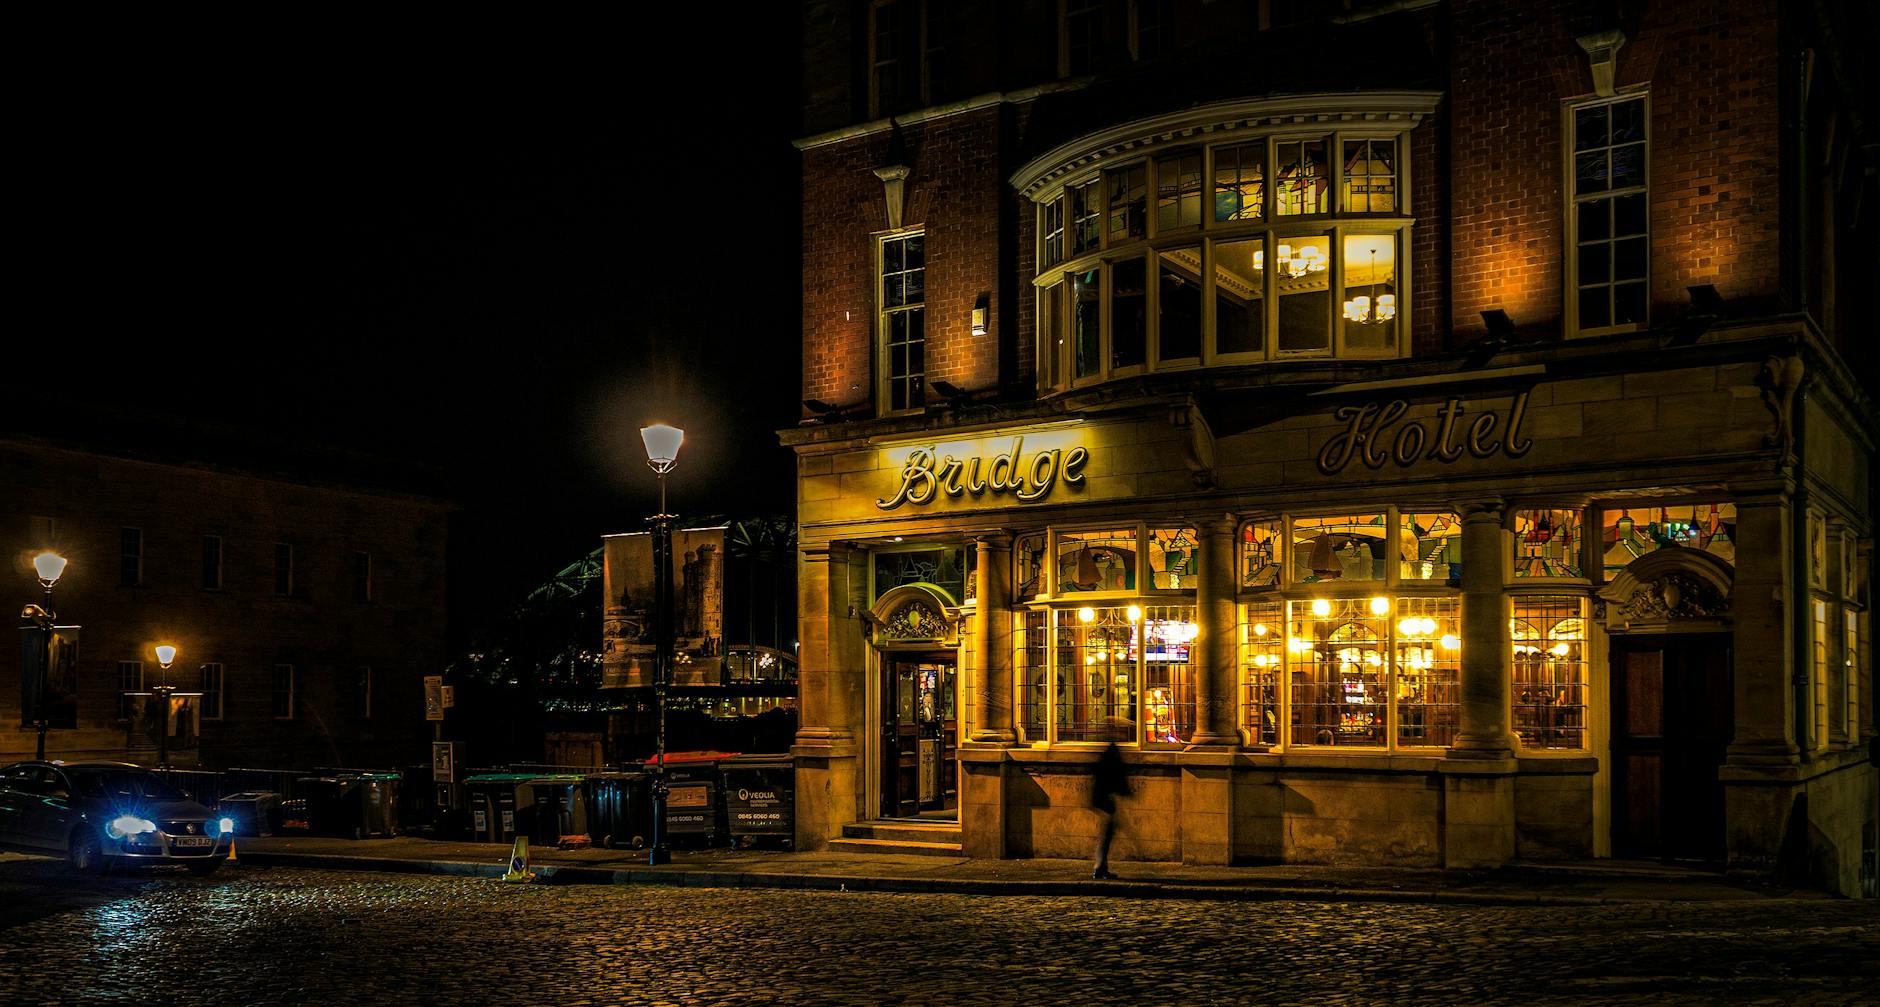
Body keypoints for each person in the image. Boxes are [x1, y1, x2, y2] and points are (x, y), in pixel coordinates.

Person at [1089, 725, 1129, 880]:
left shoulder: (1110, 751)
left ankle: (1101, 867)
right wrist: (1124, 791)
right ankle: (1099, 867)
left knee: (1106, 834)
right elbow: (1114, 776)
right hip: (1104, 799)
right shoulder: (1112, 752)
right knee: (1106, 835)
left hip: (1103, 798)